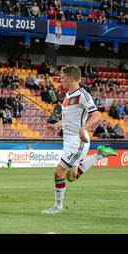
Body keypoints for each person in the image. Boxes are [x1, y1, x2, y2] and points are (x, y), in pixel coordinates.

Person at [42, 65, 118, 214]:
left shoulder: (83, 94)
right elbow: (68, 119)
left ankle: (58, 207)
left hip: (77, 141)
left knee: (59, 172)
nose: (61, 81)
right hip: (69, 141)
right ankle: (98, 155)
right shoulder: (68, 96)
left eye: (63, 78)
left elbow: (96, 116)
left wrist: (83, 129)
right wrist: (56, 125)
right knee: (71, 177)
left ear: (71, 78)